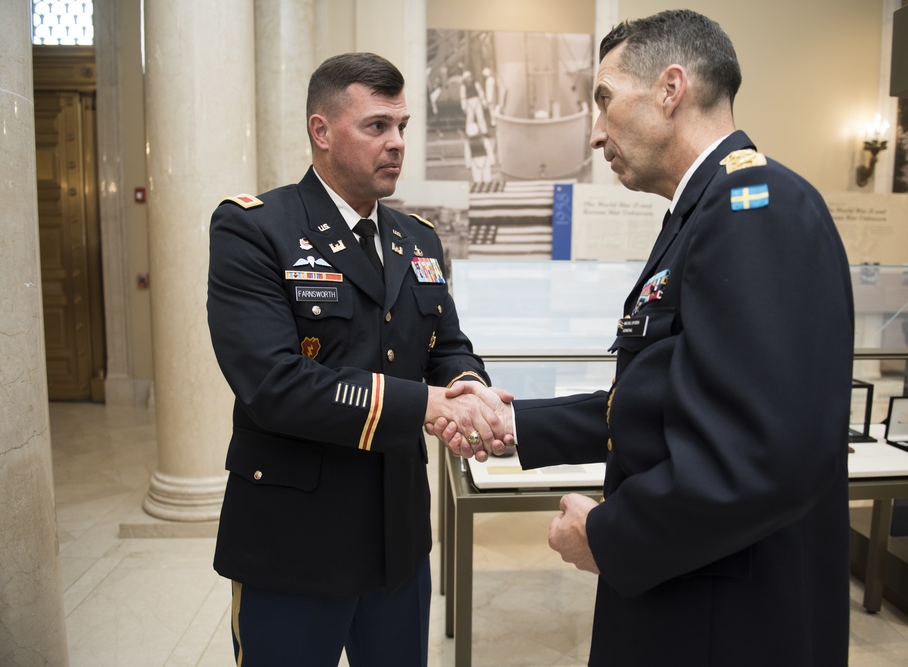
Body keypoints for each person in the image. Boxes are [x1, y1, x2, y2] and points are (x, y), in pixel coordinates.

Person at [433, 10, 854, 666]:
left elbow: (765, 453)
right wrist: (517, 425)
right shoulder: (703, 211)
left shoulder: (756, 206)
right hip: (692, 586)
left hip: (725, 619)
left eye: (604, 99)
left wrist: (609, 536)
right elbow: (666, 399)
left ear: (670, 88)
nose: (596, 132)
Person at [207, 52, 510, 666]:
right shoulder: (255, 230)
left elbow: (446, 344)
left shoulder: (416, 237)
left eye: (402, 126)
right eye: (377, 126)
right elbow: (275, 383)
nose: (397, 142)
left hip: (396, 538)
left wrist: (468, 390)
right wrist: (427, 404)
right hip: (294, 542)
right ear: (322, 132)